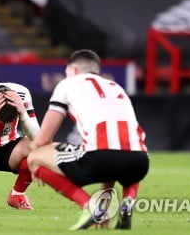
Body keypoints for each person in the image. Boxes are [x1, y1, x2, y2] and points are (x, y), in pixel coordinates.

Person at [27, 49, 149, 230]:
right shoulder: (116, 87)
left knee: (35, 157)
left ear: (74, 70)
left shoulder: (67, 84)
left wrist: (32, 157)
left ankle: (89, 206)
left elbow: (43, 139)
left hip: (100, 158)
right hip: (140, 162)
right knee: (122, 151)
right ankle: (127, 204)